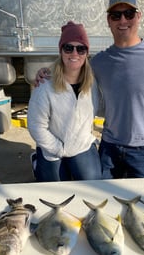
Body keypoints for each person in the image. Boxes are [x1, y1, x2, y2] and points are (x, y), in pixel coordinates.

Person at [35, 0, 144, 181]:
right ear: (108, 20)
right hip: (109, 149)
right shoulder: (99, 62)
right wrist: (46, 72)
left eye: (128, 14)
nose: (123, 20)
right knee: (101, 203)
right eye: (116, 15)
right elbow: (70, 68)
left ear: (138, 16)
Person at [28, 21, 102, 182]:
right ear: (61, 51)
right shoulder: (45, 85)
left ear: (86, 53)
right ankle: (38, 161)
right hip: (53, 148)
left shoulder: (92, 83)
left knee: (94, 185)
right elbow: (35, 125)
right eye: (68, 47)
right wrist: (58, 149)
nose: (74, 53)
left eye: (80, 48)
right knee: (54, 192)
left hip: (81, 144)